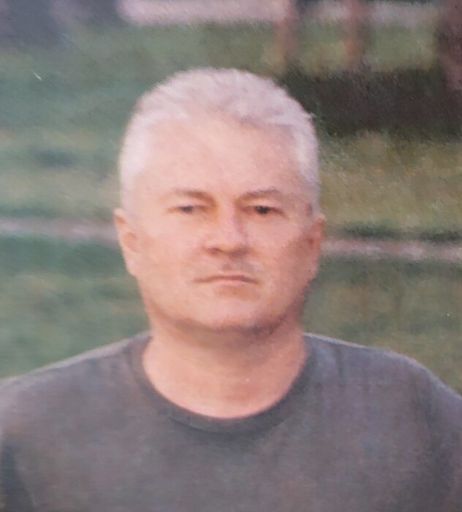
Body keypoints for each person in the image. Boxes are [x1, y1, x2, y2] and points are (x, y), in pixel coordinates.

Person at [0, 68, 461, 512]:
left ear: (312, 244)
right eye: (190, 209)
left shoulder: (410, 415)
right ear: (131, 241)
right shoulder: (25, 432)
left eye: (261, 210)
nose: (228, 240)